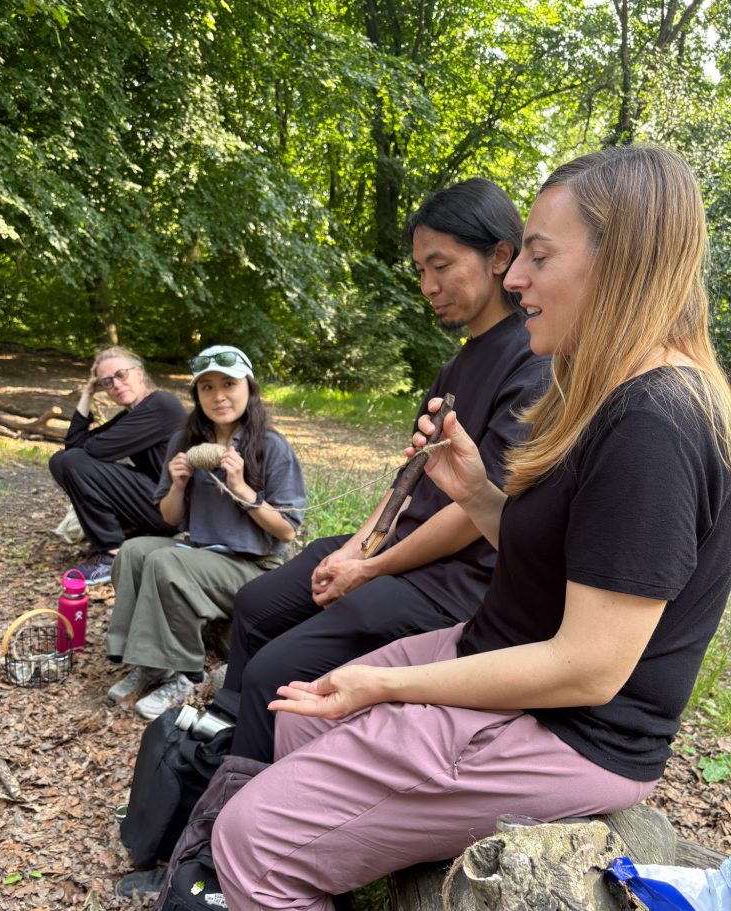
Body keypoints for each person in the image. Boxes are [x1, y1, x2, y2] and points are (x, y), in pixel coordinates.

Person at [210, 145, 731, 911]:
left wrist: (384, 681)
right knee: (299, 722)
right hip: (505, 658)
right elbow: (564, 568)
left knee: (250, 842)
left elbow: (589, 668)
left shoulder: (656, 425)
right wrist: (481, 496)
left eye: (538, 252)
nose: (516, 275)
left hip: (567, 731)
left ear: (625, 260)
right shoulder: (611, 394)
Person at [223, 177, 549, 761]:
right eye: (421, 270)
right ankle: (220, 747)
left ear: (501, 256)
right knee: (255, 607)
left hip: (457, 582)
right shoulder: (456, 367)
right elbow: (410, 481)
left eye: (441, 266)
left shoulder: (533, 362)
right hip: (396, 556)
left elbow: (476, 514)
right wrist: (354, 548)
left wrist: (369, 571)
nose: (428, 287)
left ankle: (238, 806)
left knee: (275, 669)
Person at [106, 345, 306, 721]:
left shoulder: (270, 446)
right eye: (207, 387)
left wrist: (244, 490)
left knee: (168, 561)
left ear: (249, 387)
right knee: (134, 551)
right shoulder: (185, 442)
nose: (219, 396)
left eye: (229, 384)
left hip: (255, 565)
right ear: (197, 395)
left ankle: (187, 673)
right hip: (203, 552)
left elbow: (286, 531)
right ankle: (152, 661)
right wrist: (179, 484)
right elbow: (169, 518)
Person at [49, 346, 186, 585]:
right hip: (156, 502)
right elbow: (74, 444)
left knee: (73, 461)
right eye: (106, 382)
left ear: (139, 374)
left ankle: (111, 553)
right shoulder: (133, 414)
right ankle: (125, 530)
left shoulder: (161, 405)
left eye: (121, 375)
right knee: (61, 461)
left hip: (177, 510)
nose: (116, 384)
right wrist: (87, 394)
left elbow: (94, 450)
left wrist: (87, 451)